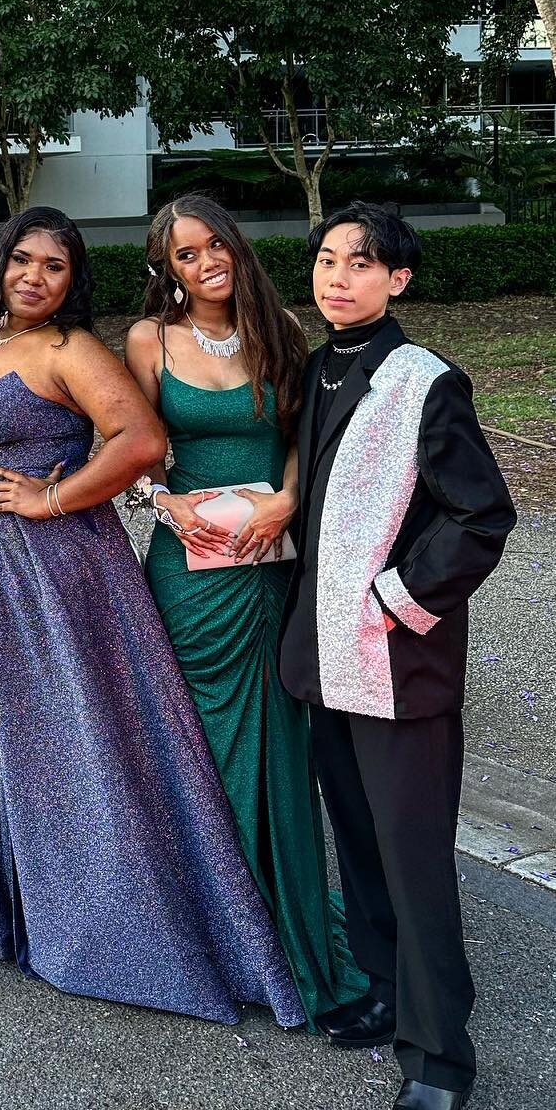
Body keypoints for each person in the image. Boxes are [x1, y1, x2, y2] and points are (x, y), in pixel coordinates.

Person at [0, 206, 304, 1027]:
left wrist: (49, 498)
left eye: (54, 267)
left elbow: (141, 442)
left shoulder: (72, 352)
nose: (34, 278)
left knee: (62, 737)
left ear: (71, 280)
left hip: (45, 570)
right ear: (0, 261)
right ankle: (1, 898)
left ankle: (100, 917)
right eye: (23, 260)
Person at [280, 202, 516, 1110]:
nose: (339, 278)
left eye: (362, 264)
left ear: (398, 281)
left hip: (391, 657)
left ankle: (439, 1063)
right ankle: (384, 989)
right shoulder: (318, 364)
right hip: (320, 655)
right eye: (328, 261)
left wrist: (393, 596)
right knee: (361, 844)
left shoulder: (427, 381)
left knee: (414, 860)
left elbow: (481, 516)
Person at [123, 196, 366, 1027]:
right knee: (205, 749)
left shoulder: (284, 330)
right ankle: (221, 931)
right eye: (185, 255)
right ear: (170, 269)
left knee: (275, 747)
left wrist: (290, 500)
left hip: (266, 567)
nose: (204, 263)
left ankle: (286, 926)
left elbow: (303, 435)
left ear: (235, 243)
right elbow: (132, 449)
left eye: (213, 244)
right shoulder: (149, 341)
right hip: (188, 579)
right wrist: (168, 505)